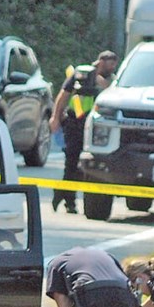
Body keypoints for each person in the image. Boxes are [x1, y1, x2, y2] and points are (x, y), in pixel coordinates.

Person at [49, 50, 118, 213]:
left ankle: (61, 193)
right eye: (110, 63)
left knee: (85, 167)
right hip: (75, 123)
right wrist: (55, 118)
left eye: (114, 64)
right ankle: (69, 201)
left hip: (96, 128)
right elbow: (63, 95)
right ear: (101, 61)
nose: (112, 67)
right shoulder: (82, 74)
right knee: (71, 163)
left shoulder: (113, 80)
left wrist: (104, 84)